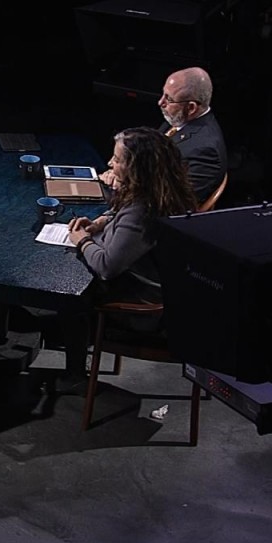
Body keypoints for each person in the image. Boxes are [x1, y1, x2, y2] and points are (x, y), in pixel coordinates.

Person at [56, 126, 199, 393]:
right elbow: (120, 214)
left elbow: (107, 266)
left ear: (137, 167)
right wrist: (101, 222)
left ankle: (75, 374)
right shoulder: (160, 192)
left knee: (71, 291)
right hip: (163, 288)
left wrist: (82, 240)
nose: (110, 163)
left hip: (145, 306)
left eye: (118, 160)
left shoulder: (143, 209)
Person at [99, 67, 227, 207]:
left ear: (191, 108)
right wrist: (120, 171)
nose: (160, 103)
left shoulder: (206, 152)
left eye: (169, 99)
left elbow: (172, 201)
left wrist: (125, 183)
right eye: (163, 94)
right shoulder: (179, 119)